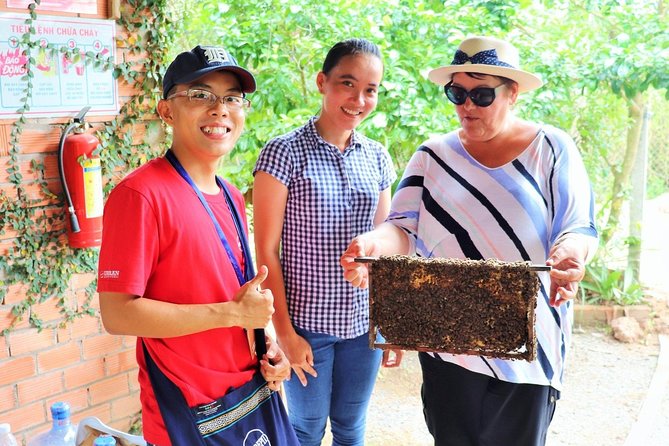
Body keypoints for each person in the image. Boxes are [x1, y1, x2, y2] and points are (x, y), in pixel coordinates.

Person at [340, 36, 599, 446]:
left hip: (529, 351)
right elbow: (402, 228)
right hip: (448, 345)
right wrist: (372, 245)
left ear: (512, 93)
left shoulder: (551, 149)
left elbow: (578, 227)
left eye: (481, 94)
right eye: (457, 93)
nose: (467, 106)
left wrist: (570, 254)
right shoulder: (432, 156)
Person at [97, 45, 298, 446]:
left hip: (248, 398)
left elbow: (235, 296)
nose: (219, 109)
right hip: (188, 415)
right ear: (167, 110)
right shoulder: (140, 195)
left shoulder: (231, 195)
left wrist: (268, 343)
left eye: (231, 98)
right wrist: (232, 314)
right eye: (201, 95)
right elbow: (117, 314)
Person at [252, 38, 403, 446]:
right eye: (347, 84)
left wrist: (390, 324)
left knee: (352, 429)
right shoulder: (283, 153)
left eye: (370, 89)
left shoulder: (378, 157)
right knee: (305, 429)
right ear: (322, 82)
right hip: (306, 326)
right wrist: (283, 332)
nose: (359, 99)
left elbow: (385, 245)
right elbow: (265, 251)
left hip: (363, 326)